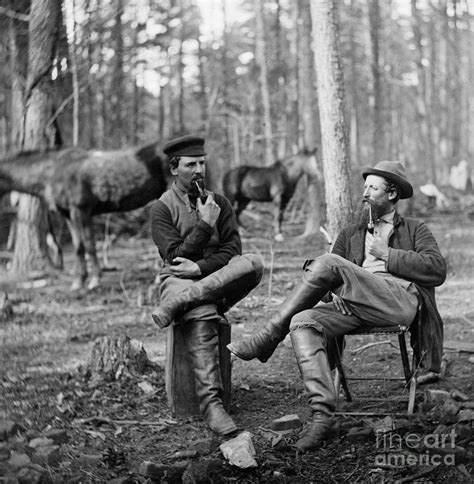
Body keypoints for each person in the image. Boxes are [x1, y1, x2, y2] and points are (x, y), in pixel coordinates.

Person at [227, 161, 446, 451]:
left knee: (329, 261)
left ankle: (268, 337)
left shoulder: (416, 229)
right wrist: (337, 297)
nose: (365, 193)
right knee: (303, 321)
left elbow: (437, 269)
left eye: (373, 188)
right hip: (356, 308)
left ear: (392, 194)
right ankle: (322, 416)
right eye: (364, 187)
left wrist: (389, 255)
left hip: (398, 301)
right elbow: (326, 281)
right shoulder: (351, 233)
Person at [150, 134, 263, 436]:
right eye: (190, 164)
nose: (199, 170)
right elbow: (174, 258)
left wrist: (201, 267)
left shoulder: (220, 203)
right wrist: (204, 226)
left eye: (201, 163)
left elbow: (232, 251)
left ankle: (183, 302)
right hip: (176, 280)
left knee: (253, 262)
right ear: (175, 169)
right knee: (202, 312)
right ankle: (212, 404)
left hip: (212, 279)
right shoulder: (161, 208)